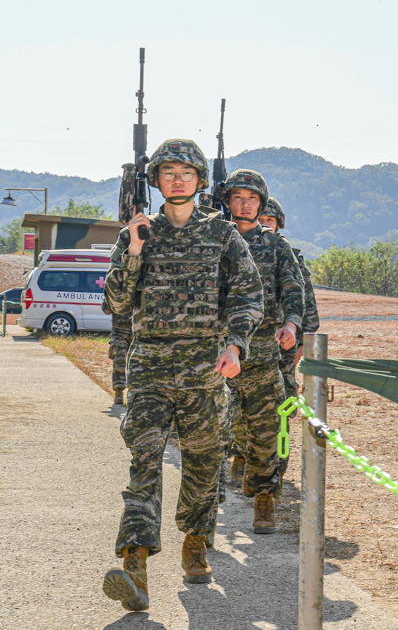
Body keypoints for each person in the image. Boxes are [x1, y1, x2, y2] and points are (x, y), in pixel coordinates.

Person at [101, 139, 263, 612]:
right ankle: (135, 565)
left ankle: (196, 539)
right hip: (150, 367)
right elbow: (115, 303)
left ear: (199, 181)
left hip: (205, 370)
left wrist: (236, 343)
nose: (176, 179)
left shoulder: (221, 233)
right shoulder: (139, 232)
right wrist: (133, 248)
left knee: (202, 463)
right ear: (155, 180)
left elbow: (248, 295)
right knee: (145, 464)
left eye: (185, 173)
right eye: (168, 172)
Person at [219, 170, 303, 533]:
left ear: (261, 204)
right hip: (219, 354)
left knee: (267, 430)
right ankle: (208, 512)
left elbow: (294, 290)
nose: (245, 204)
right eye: (238, 197)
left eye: (252, 199)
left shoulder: (276, 246)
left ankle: (265, 498)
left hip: (263, 352)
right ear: (228, 202)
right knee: (226, 429)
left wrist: (292, 325)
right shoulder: (214, 240)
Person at [259, 196, 320, 497]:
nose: (264, 225)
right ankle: (243, 456)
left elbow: (307, 307)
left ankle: (273, 476)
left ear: (279, 225)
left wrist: (298, 345)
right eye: (260, 220)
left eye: (269, 221)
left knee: (279, 408)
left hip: (282, 348)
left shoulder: (291, 257)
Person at [103, 301, 132, 406]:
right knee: (119, 359)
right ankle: (118, 392)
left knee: (136, 363)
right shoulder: (115, 290)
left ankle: (133, 393)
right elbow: (106, 310)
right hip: (119, 332)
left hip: (137, 331)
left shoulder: (140, 287)